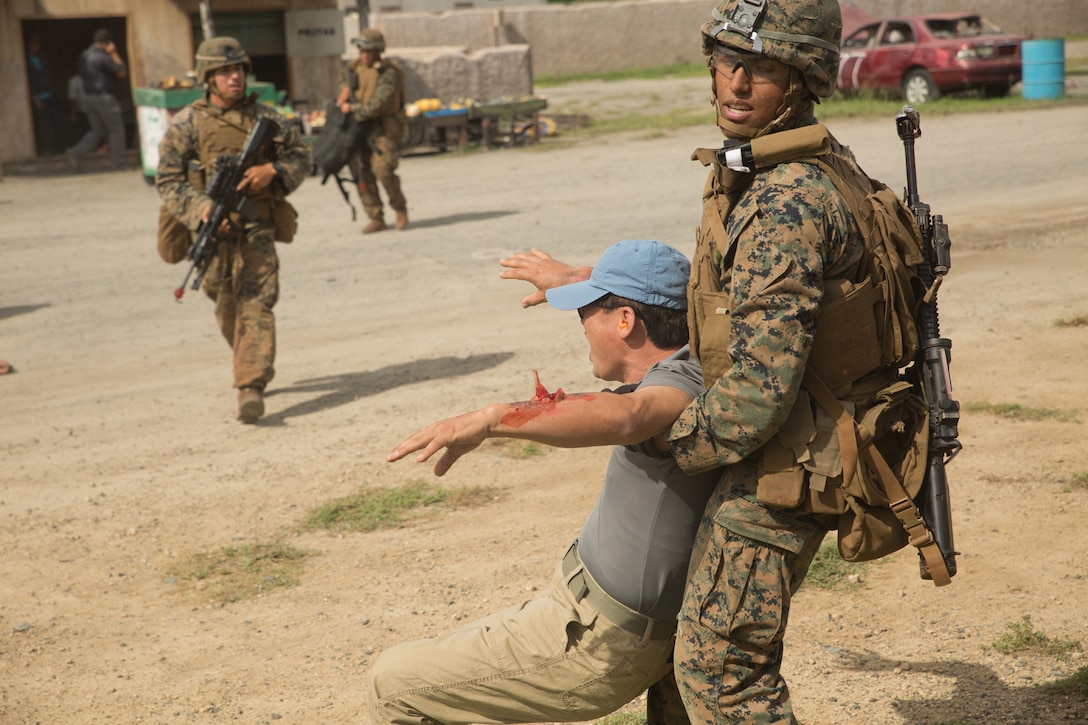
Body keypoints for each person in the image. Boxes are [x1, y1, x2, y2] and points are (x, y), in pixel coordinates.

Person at [664, 0, 901, 720]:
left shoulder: (785, 199)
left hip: (789, 463)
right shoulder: (811, 157)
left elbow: (757, 399)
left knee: (723, 670)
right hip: (809, 437)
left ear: (801, 80)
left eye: (762, 68)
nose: (735, 83)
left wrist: (658, 437)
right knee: (706, 653)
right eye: (726, 61)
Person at [375, 239, 720, 725]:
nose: (581, 325)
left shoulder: (679, 387)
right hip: (587, 620)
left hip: (597, 641)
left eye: (587, 312)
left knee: (393, 683)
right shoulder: (699, 356)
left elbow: (627, 415)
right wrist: (580, 281)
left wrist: (495, 418)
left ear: (625, 320)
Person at [156, 37, 311, 423]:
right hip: (211, 230)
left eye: (239, 69)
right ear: (209, 78)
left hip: (256, 226)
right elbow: (168, 180)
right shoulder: (187, 124)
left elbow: (301, 155)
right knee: (224, 301)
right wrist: (202, 207)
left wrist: (272, 171)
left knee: (257, 302)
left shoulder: (268, 119)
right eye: (225, 71)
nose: (234, 77)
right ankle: (249, 358)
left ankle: (250, 386)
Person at [336, 28, 409, 234]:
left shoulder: (389, 73)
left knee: (383, 171)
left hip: (383, 130)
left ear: (378, 51)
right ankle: (375, 216)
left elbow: (378, 105)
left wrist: (351, 108)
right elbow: (341, 92)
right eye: (362, 50)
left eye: (369, 51)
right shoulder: (351, 70)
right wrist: (342, 98)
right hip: (358, 131)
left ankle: (400, 208)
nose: (364, 55)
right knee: (361, 174)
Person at [67, 29, 127, 170]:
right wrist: (113, 53)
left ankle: (76, 152)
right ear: (107, 43)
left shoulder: (85, 55)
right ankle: (118, 162)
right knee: (116, 128)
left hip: (88, 97)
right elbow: (121, 72)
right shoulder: (102, 56)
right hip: (103, 97)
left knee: (97, 130)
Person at [25, 35, 62, 156]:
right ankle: (46, 150)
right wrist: (33, 97)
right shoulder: (25, 61)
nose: (34, 47)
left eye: (36, 44)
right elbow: (26, 80)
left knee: (53, 122)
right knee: (43, 124)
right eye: (32, 44)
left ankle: (54, 148)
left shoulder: (43, 59)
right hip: (38, 97)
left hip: (49, 95)